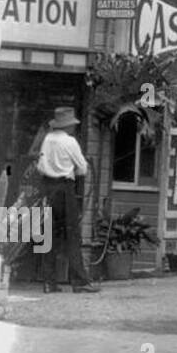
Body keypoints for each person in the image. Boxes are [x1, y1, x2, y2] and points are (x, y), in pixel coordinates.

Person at [37, 106, 99, 293]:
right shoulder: (70, 142)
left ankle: (48, 282)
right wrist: (70, 170)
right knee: (72, 235)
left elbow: (40, 166)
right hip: (65, 189)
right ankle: (79, 281)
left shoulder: (47, 139)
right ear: (68, 126)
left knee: (49, 235)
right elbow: (83, 168)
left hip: (48, 188)